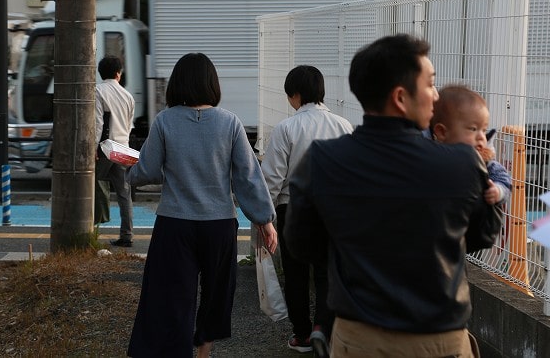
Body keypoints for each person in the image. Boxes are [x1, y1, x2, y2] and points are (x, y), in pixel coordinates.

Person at [285, 34, 502, 357]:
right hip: (440, 343)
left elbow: (302, 244)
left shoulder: (321, 161)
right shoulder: (461, 162)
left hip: (358, 340)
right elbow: (483, 235)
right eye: (430, 84)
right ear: (401, 97)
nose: (436, 95)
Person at [125, 52, 278, 358]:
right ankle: (204, 352)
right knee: (216, 294)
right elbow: (247, 176)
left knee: (172, 296)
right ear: (212, 84)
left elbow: (149, 171)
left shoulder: (164, 121)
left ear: (177, 84)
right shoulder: (230, 123)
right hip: (219, 224)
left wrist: (129, 169)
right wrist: (265, 219)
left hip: (175, 224)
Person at [261, 65, 353, 357]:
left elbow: (272, 178)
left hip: (294, 211)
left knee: (296, 273)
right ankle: (322, 330)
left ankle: (301, 334)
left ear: (296, 95)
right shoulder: (344, 126)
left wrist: (265, 217)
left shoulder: (286, 128)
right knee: (328, 273)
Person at [430, 84, 512, 206]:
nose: (481, 137)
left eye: (484, 130)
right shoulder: (431, 158)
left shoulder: (484, 162)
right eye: (473, 129)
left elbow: (504, 180)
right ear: (442, 132)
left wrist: (497, 191)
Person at [94, 55, 135, 247]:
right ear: (118, 74)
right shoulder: (128, 96)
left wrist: (93, 147)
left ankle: (91, 228)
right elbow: (129, 125)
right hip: (122, 148)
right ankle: (127, 235)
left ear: (101, 73)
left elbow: (97, 123)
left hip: (104, 148)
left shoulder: (98, 91)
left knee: (91, 183)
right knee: (124, 193)